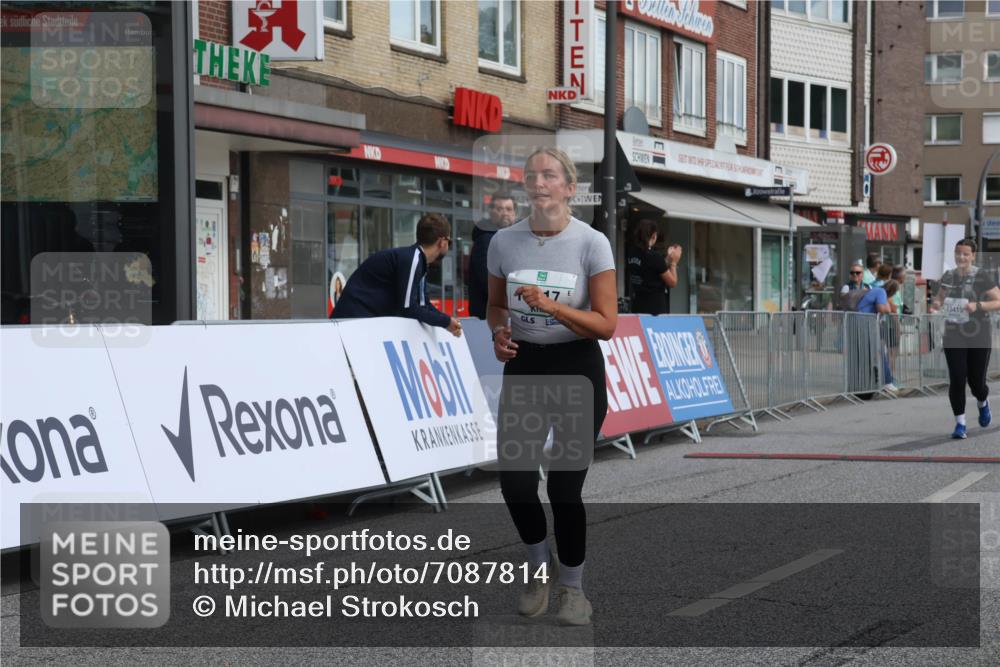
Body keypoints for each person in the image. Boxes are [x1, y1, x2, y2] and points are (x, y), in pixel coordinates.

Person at [486, 147, 616, 626]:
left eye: (549, 175)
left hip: (576, 367)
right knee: (515, 481)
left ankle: (574, 589)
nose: (538, 182)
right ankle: (539, 566)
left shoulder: (591, 243)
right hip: (525, 367)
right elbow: (496, 306)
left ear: (568, 187)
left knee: (564, 488)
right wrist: (498, 333)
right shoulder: (503, 241)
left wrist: (550, 306)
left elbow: (606, 325)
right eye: (531, 175)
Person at [331, 213, 462, 337]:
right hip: (350, 321)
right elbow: (408, 307)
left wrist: (447, 321)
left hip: (358, 320)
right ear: (442, 242)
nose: (448, 246)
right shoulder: (413, 259)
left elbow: (423, 304)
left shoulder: (417, 260)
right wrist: (446, 322)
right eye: (449, 242)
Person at [928, 239, 1000, 439]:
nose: (961, 257)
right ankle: (960, 423)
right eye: (958, 253)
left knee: (977, 382)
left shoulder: (982, 276)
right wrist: (935, 304)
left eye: (966, 254)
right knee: (957, 377)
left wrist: (977, 306)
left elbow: (998, 300)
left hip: (978, 333)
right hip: (953, 332)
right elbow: (940, 298)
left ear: (973, 256)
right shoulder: (949, 276)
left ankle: (982, 402)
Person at [468, 191, 517, 319]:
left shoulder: (512, 241)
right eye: (500, 209)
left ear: (514, 214)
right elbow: (489, 283)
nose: (505, 213)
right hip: (488, 319)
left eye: (509, 209)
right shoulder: (486, 241)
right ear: (491, 212)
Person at [625, 219, 682, 315]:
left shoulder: (631, 253)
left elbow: (653, 269)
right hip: (655, 308)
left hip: (638, 305)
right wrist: (674, 262)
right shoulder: (654, 256)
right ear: (654, 236)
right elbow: (672, 282)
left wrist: (668, 258)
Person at [856, 279, 900, 393]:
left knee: (870, 354)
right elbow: (882, 309)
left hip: (861, 323)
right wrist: (889, 308)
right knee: (880, 352)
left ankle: (868, 382)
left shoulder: (877, 290)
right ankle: (887, 382)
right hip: (866, 324)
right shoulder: (881, 292)